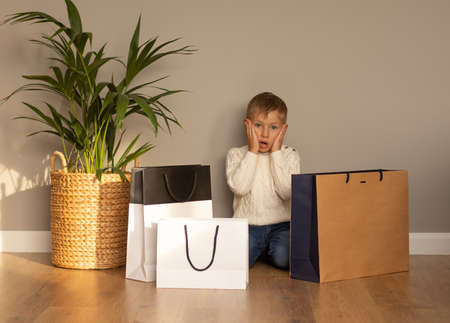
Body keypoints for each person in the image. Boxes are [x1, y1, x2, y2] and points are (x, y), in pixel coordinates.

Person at [226, 92, 301, 269]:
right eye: (258, 126)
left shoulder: (290, 155)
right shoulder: (236, 154)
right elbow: (240, 187)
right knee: (237, 261)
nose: (265, 134)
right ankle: (261, 249)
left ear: (283, 130)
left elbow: (286, 192)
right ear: (247, 125)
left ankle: (268, 251)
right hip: (248, 225)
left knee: (284, 259)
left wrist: (276, 153)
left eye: (274, 128)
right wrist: (252, 151)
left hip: (281, 225)